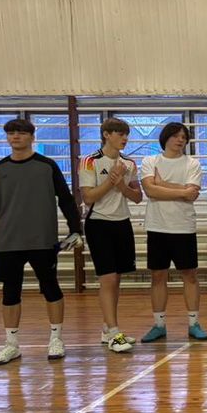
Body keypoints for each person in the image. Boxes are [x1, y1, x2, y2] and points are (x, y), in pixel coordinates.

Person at [0, 118, 83, 366]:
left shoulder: (47, 166)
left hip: (42, 239)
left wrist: (76, 229)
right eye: (11, 133)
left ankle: (56, 339)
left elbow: (66, 199)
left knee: (50, 288)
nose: (15, 137)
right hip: (9, 241)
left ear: (32, 137)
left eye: (20, 133)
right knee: (10, 292)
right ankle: (11, 344)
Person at [79, 117, 143, 353]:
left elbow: (138, 197)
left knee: (116, 279)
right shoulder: (89, 161)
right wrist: (110, 180)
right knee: (107, 279)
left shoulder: (129, 163)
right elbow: (88, 197)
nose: (124, 138)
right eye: (119, 133)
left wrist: (122, 186)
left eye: (126, 134)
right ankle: (114, 333)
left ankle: (108, 328)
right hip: (99, 224)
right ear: (106, 134)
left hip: (122, 223)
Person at [139, 122, 207, 342]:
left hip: (183, 227)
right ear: (166, 137)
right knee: (158, 276)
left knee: (190, 275)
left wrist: (163, 184)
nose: (180, 140)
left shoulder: (192, 163)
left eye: (184, 137)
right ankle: (159, 325)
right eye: (176, 136)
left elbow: (192, 194)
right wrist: (181, 190)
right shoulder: (150, 161)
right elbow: (150, 190)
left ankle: (194, 323)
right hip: (157, 226)